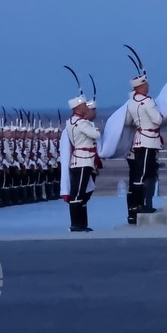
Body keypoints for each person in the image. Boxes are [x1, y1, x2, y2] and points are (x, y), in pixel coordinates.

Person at [123, 71, 163, 223]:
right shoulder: (147, 102)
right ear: (140, 86)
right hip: (149, 141)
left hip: (140, 140)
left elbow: (128, 121)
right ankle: (139, 205)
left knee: (139, 174)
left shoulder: (132, 102)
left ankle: (135, 207)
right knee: (143, 175)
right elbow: (157, 120)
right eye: (146, 84)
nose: (148, 86)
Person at [66, 95, 100, 232]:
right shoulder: (81, 123)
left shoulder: (73, 121)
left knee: (81, 193)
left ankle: (82, 223)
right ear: (78, 107)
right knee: (78, 193)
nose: (87, 107)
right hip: (83, 160)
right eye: (84, 105)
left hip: (81, 160)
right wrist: (94, 127)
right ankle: (76, 224)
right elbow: (96, 135)